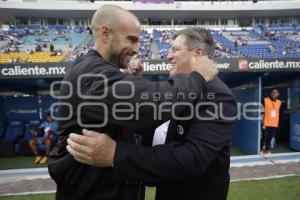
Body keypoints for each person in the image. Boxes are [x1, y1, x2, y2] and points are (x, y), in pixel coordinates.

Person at [48, 6, 218, 200]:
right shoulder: (92, 74)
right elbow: (155, 105)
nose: (137, 49)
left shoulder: (93, 69)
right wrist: (198, 76)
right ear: (105, 33)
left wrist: (130, 82)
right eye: (131, 39)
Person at [261, 88, 282, 154]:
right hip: (266, 122)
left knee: (270, 137)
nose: (274, 94)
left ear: (278, 94)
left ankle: (267, 149)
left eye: (276, 93)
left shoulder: (279, 102)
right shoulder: (265, 100)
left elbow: (280, 113)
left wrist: (279, 122)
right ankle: (261, 149)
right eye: (273, 92)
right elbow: (262, 111)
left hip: (274, 123)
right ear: (271, 93)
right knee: (264, 136)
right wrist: (262, 120)